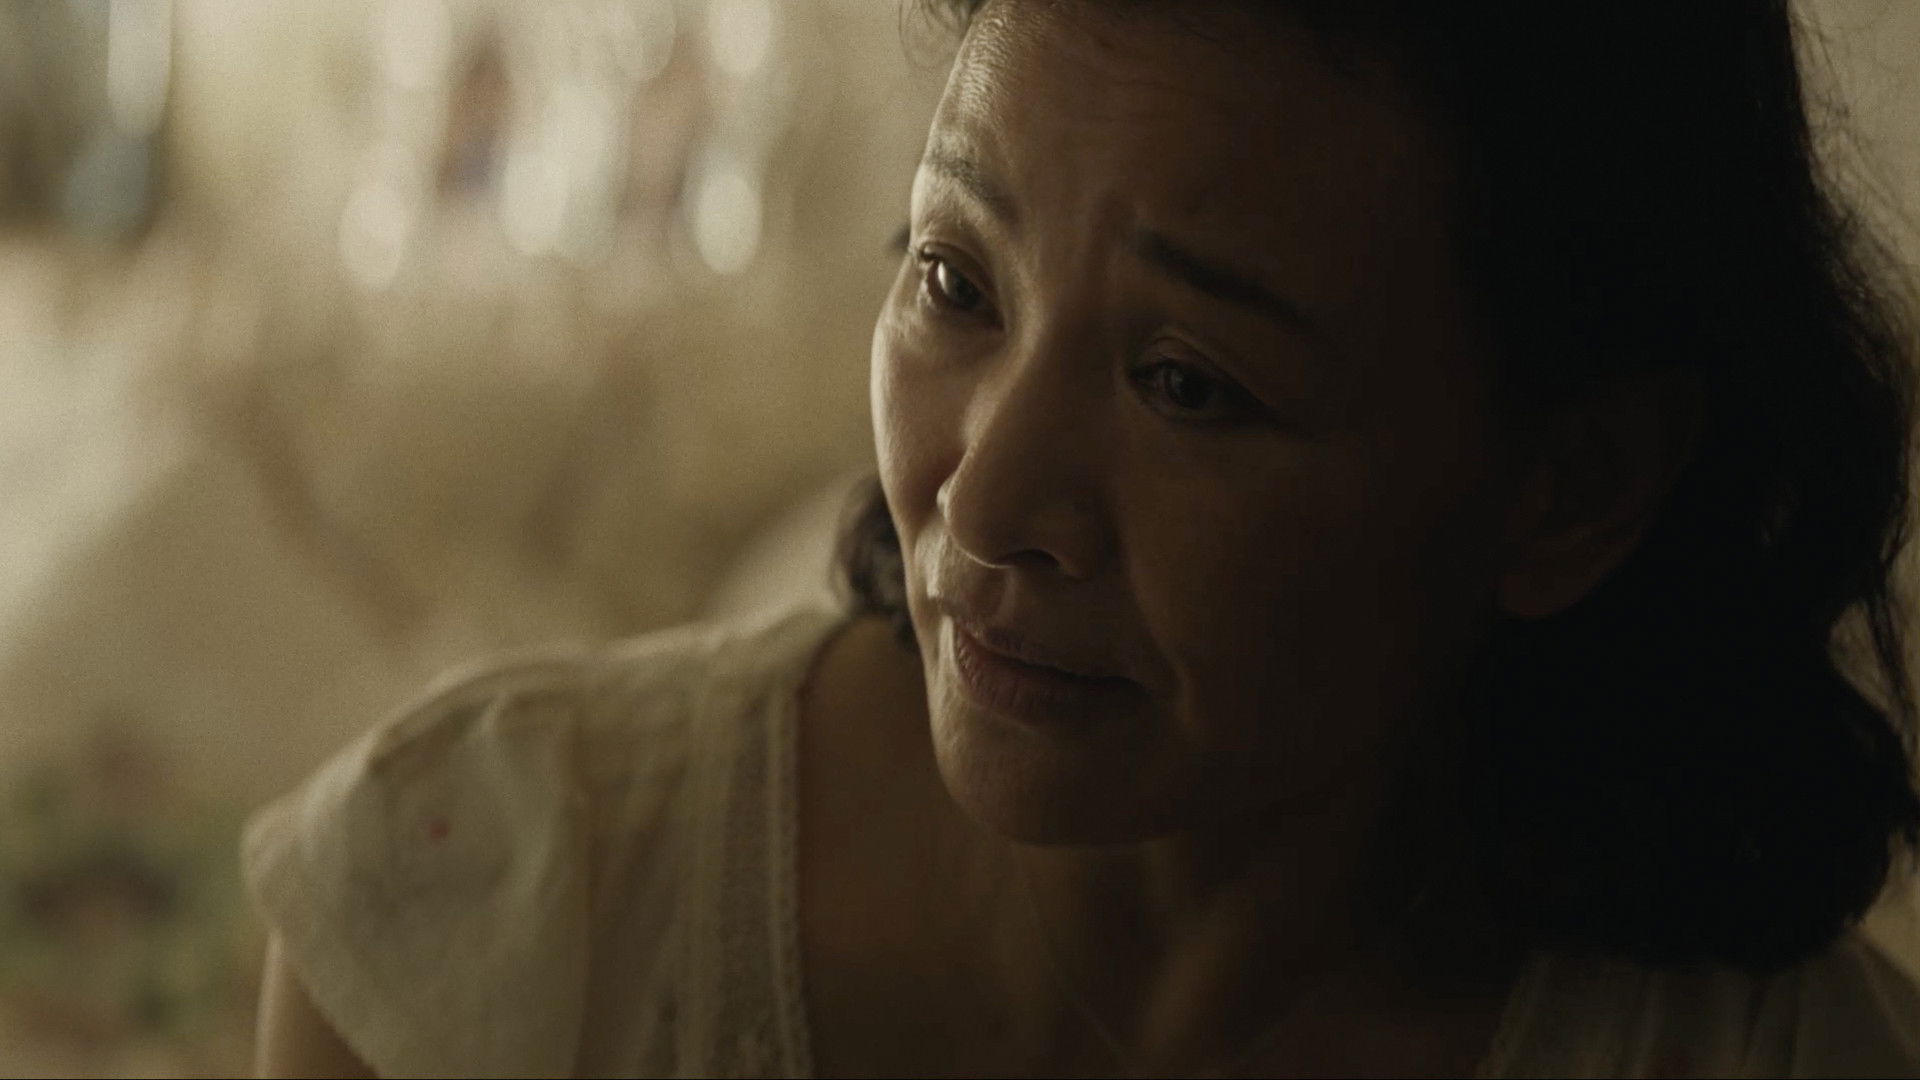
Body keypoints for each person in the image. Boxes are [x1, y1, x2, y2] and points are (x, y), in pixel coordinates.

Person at [247, 1, 1920, 1075]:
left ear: (1571, 487)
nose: (983, 507)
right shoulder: (483, 929)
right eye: (955, 281)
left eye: (1189, 385)